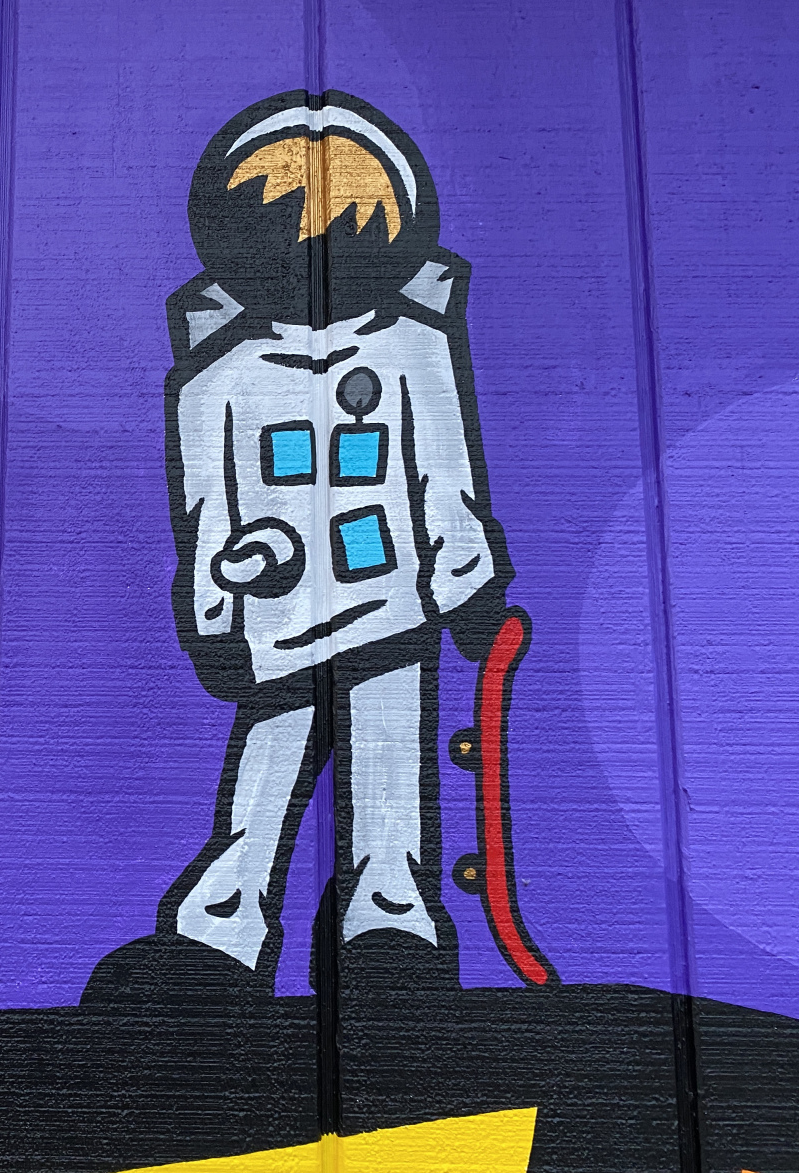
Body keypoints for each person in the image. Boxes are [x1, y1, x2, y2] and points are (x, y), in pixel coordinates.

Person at [87, 91, 511, 1004]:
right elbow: (210, 510)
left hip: (392, 603)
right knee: (270, 765)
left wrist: (464, 576)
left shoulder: (414, 348)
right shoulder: (218, 377)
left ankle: (389, 916)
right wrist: (218, 603)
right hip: (284, 617)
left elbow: (442, 477)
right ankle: (222, 923)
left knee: (389, 768)